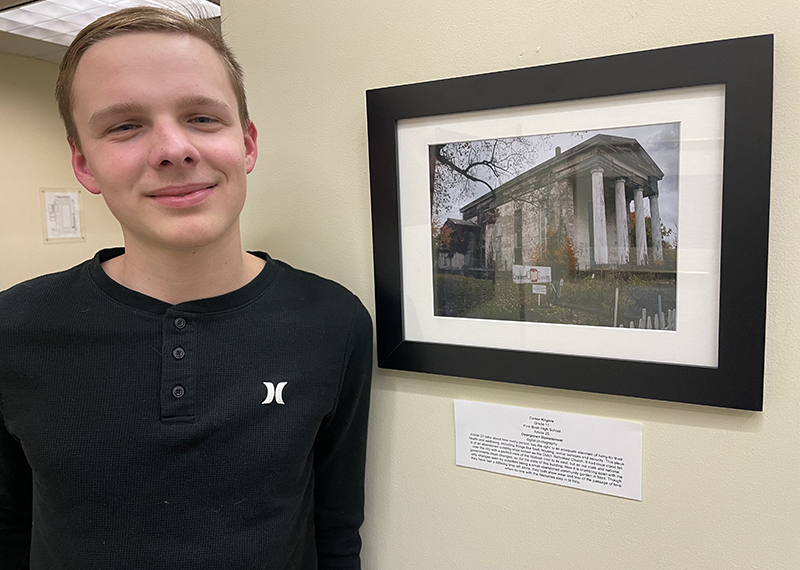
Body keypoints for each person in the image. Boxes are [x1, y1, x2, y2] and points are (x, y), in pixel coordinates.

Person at [0, 7, 372, 569]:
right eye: (125, 125)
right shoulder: (13, 328)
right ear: (85, 164)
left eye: (202, 117)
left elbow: (337, 534)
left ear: (246, 144)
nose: (174, 149)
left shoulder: (333, 321)